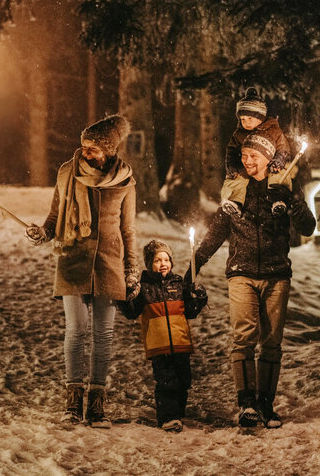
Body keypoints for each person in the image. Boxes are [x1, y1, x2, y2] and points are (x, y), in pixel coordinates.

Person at [194, 131, 316, 429]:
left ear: (267, 158)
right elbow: (218, 230)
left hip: (276, 274)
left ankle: (266, 404)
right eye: (244, 155)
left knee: (272, 343)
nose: (247, 161)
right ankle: (247, 404)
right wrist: (195, 261)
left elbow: (308, 227)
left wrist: (295, 204)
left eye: (254, 156)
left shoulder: (284, 185)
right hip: (242, 273)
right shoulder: (236, 190)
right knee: (243, 338)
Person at [25, 115, 139, 428]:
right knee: (76, 330)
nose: (84, 153)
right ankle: (73, 403)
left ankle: (97, 408)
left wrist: (132, 270)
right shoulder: (67, 173)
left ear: (109, 151)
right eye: (83, 146)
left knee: (103, 334)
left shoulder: (125, 181)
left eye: (92, 149)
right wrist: (43, 233)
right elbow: (54, 216)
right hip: (72, 257)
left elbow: (128, 230)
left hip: (109, 262)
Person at [118, 240, 207, 432]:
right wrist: (125, 298)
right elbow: (131, 313)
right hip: (159, 344)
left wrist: (199, 299)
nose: (163, 263)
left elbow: (189, 312)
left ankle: (178, 411)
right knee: (167, 381)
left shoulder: (179, 284)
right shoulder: (144, 287)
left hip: (180, 341)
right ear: (149, 263)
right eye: (158, 260)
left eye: (166, 259)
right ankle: (168, 416)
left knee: (184, 379)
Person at [220, 87, 295, 217]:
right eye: (242, 119)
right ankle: (234, 201)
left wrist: (278, 161)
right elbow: (231, 150)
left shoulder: (273, 130)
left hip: (269, 165)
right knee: (236, 178)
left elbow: (283, 147)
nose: (246, 122)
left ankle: (278, 200)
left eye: (250, 118)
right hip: (247, 166)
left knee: (279, 175)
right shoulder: (239, 134)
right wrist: (232, 165)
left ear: (261, 116)